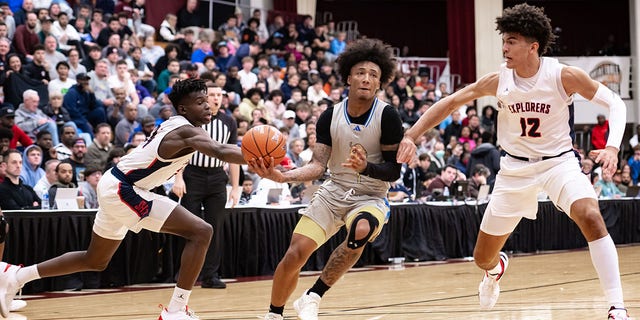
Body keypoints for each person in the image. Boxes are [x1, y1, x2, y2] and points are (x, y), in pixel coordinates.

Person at [396, 4, 631, 319]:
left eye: (512, 41)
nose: (504, 47)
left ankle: (617, 307)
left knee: (590, 214)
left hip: (558, 163)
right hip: (513, 170)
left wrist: (613, 148)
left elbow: (615, 102)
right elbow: (451, 101)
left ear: (533, 46)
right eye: (504, 40)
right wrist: (411, 135)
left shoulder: (563, 76)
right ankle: (496, 270)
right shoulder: (498, 80)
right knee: (482, 257)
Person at [0, 78, 246, 319]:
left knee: (95, 259)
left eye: (208, 101)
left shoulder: (184, 127)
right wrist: (268, 159)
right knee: (201, 231)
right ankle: (175, 310)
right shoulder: (184, 131)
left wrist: (273, 169)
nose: (207, 105)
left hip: (119, 185)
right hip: (123, 189)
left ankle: (16, 276)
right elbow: (221, 150)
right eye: (200, 101)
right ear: (183, 108)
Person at [250, 38, 403, 320]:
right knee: (295, 254)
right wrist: (282, 175)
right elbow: (318, 165)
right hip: (334, 191)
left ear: (380, 83)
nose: (366, 79)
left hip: (371, 194)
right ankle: (274, 314)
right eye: (360, 73)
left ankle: (313, 295)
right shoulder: (329, 116)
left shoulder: (389, 117)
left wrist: (365, 167)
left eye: (373, 75)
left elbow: (395, 171)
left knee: (361, 229)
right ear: (348, 77)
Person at [171, 82, 239, 289]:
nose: (216, 98)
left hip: (218, 177)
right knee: (189, 227)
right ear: (205, 98)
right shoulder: (194, 120)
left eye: (220, 94)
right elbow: (180, 151)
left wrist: (235, 187)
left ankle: (211, 275)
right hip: (192, 175)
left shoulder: (229, 122)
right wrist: (178, 177)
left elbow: (233, 154)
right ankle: (185, 273)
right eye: (213, 95)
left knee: (214, 227)